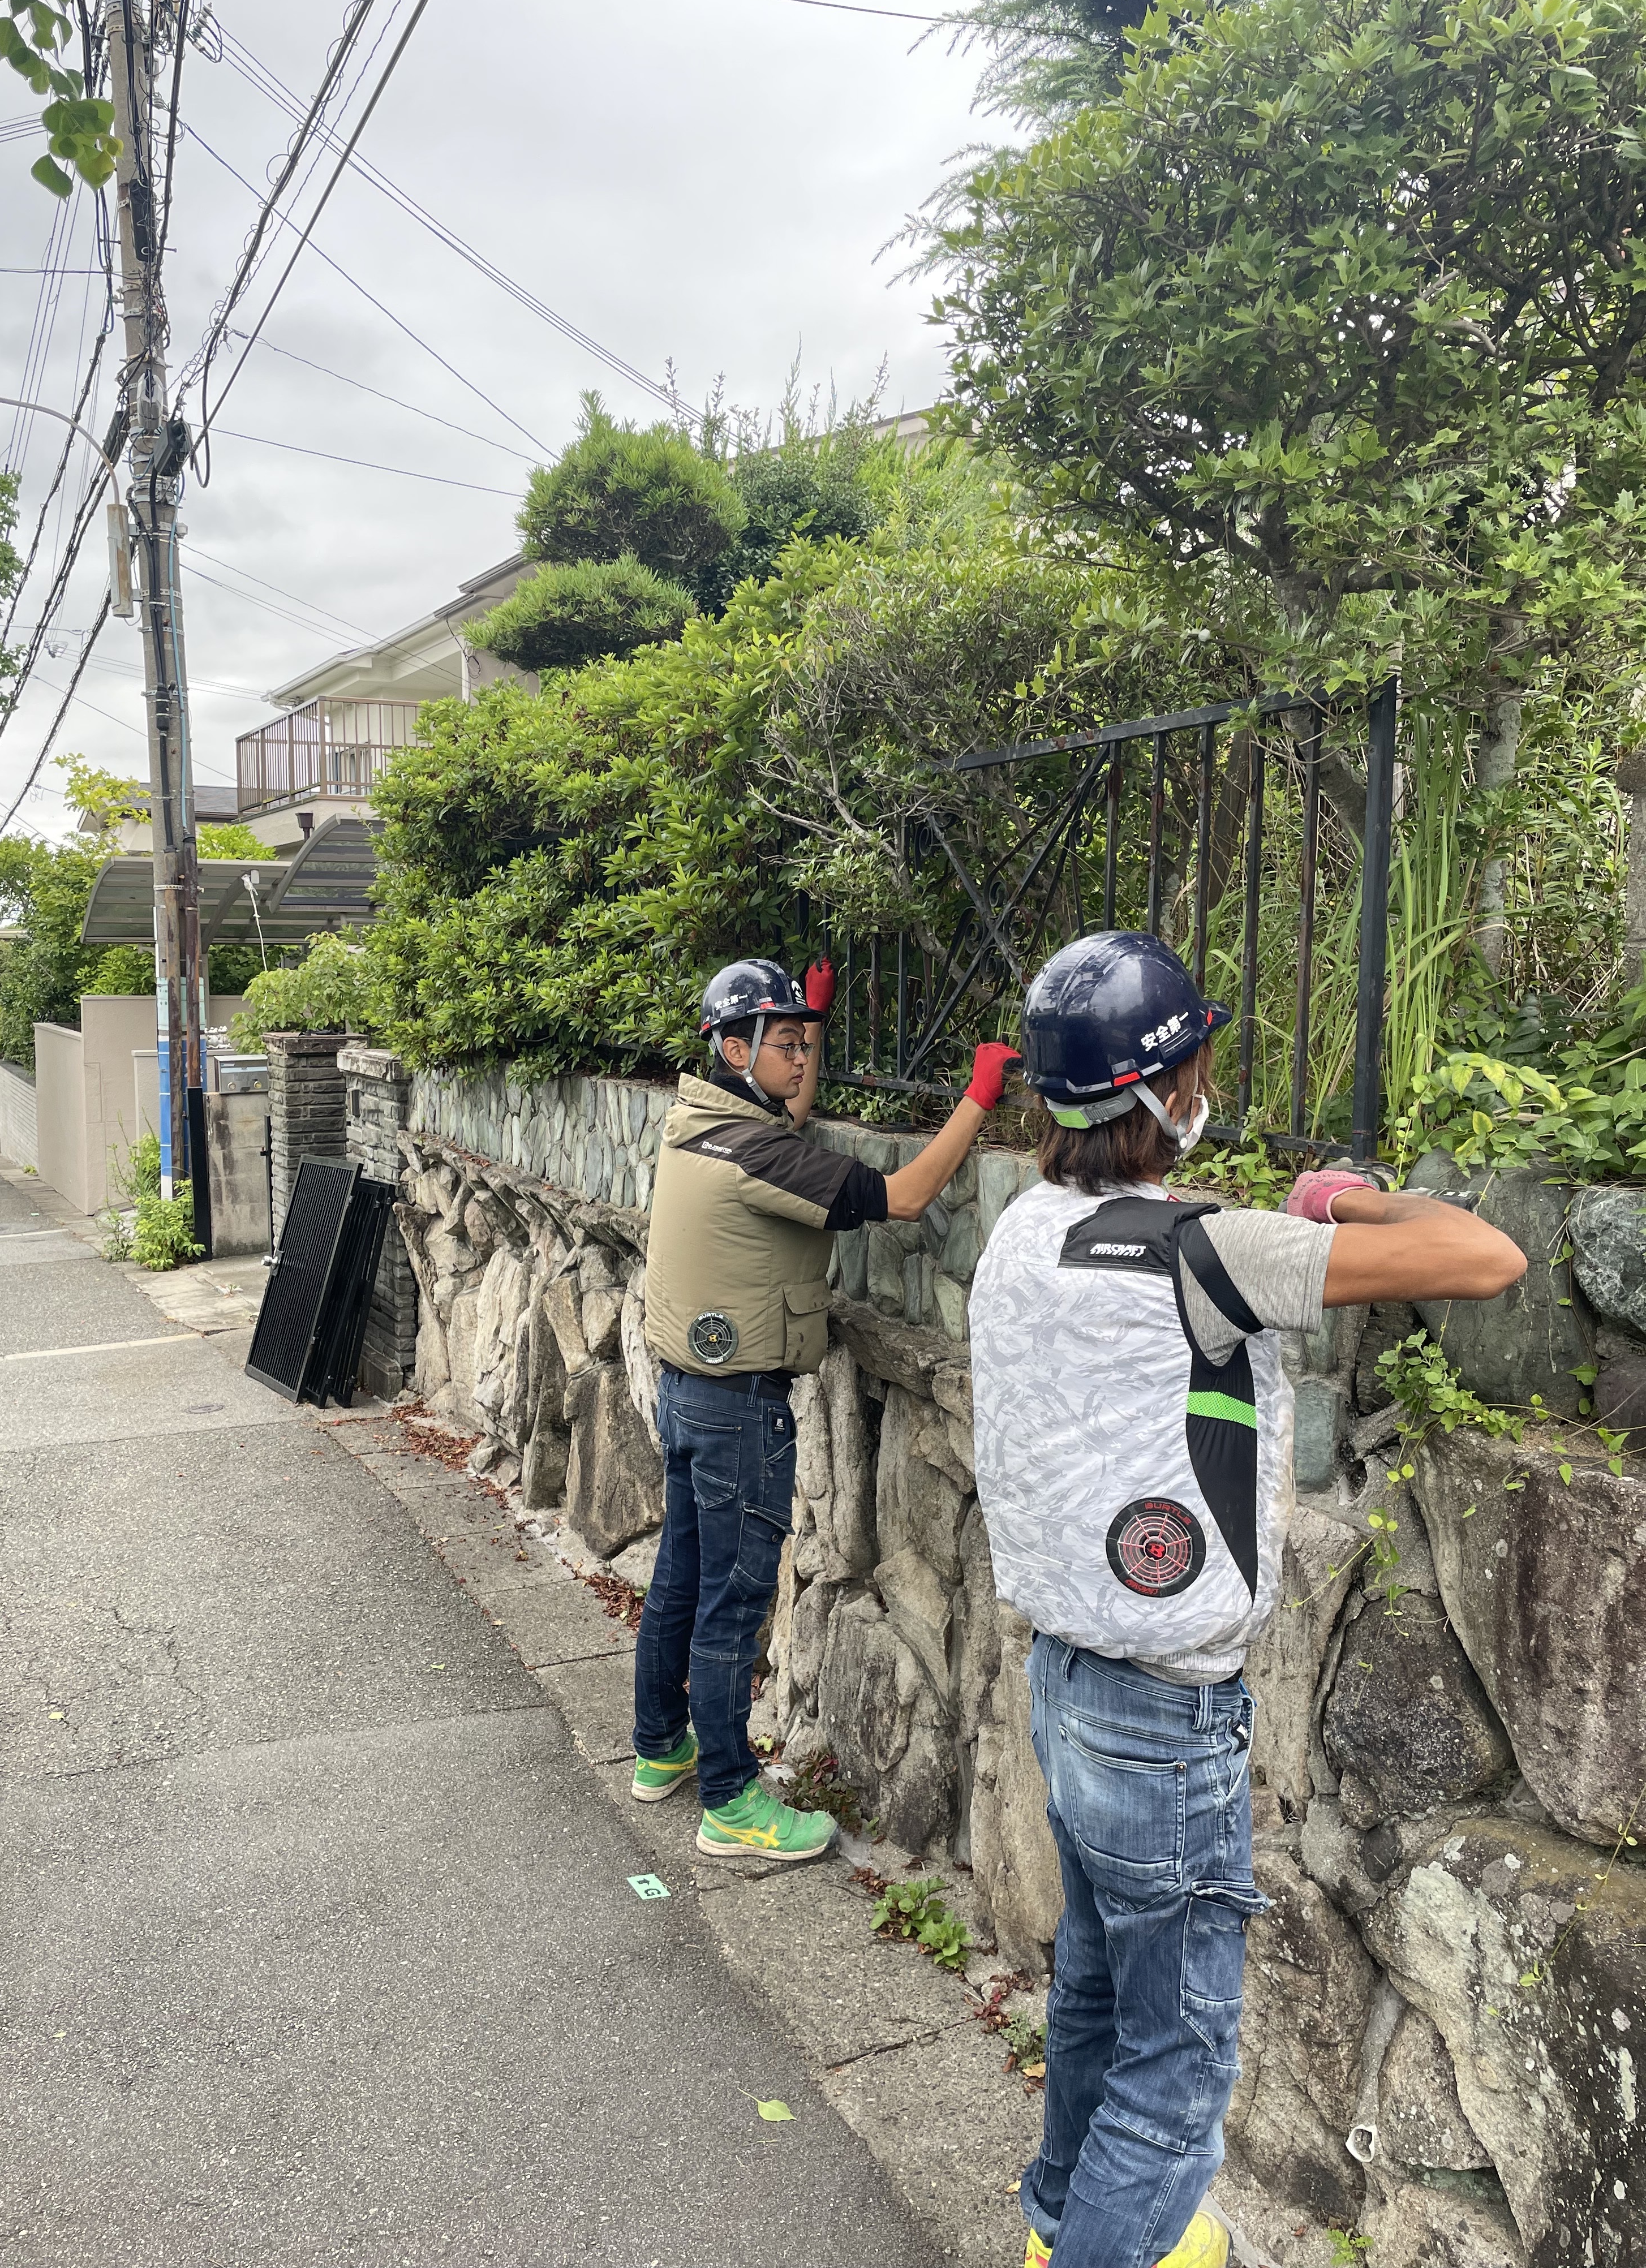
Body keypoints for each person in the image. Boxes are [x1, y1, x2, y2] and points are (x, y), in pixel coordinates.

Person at [967, 929, 1526, 2268]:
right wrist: (1343, 1201)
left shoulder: (1023, 1229)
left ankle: (1062, 2222)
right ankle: (1099, 2240)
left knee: (1098, 1991)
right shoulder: (1217, 1252)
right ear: (1171, 1087)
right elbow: (1487, 1257)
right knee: (1177, 2074)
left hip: (1064, 1681)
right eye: (1202, 1062)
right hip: (1163, 1719)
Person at [637, 954, 1019, 1861]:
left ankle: (660, 1748)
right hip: (739, 1411)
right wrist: (977, 1095)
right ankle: (730, 1802)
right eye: (784, 1043)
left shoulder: (700, 1120)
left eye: (807, 1041)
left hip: (688, 1390)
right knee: (732, 1605)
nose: (803, 1060)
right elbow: (909, 1196)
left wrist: (813, 1018)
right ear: (734, 1049)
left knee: (680, 1581)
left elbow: (781, 1126)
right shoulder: (761, 1154)